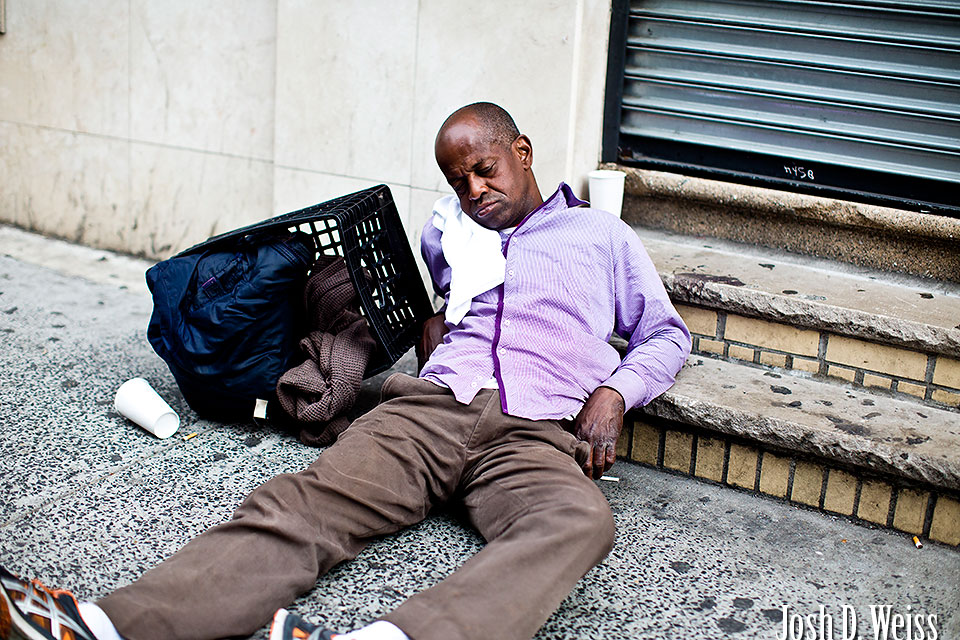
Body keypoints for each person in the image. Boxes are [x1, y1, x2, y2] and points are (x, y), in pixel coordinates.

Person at [0, 102, 690, 640]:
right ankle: (110, 625)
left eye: (485, 170)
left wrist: (614, 391)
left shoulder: (600, 236)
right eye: (459, 182)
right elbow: (455, 306)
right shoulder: (454, 234)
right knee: (302, 504)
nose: (475, 190)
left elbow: (665, 334)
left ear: (523, 152)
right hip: (429, 409)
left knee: (579, 521)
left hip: (533, 434)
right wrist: (437, 324)